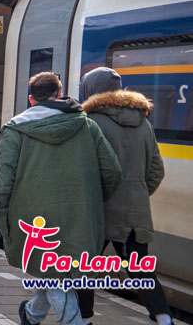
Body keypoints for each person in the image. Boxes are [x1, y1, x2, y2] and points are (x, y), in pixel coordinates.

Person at [0, 72, 121, 325]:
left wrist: (3, 210)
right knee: (55, 273)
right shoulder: (87, 126)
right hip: (80, 214)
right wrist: (92, 198)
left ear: (31, 99)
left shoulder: (15, 129)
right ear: (60, 94)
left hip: (32, 219)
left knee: (52, 272)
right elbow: (112, 171)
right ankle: (32, 315)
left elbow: (3, 181)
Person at [77, 67, 170, 325]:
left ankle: (84, 320)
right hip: (135, 209)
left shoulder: (90, 122)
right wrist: (137, 194)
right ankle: (164, 319)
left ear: (89, 90)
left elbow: (85, 168)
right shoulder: (144, 123)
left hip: (99, 210)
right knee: (141, 270)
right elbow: (156, 170)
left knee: (84, 266)